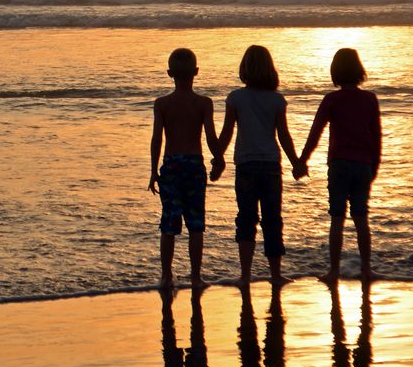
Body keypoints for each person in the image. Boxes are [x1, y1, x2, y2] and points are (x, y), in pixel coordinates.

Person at [213, 44, 304, 287]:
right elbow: (284, 135)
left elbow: (227, 132)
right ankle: (275, 275)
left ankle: (245, 274)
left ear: (244, 69)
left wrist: (217, 157)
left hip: (246, 164)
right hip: (271, 165)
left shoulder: (236, 97)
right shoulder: (276, 99)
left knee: (246, 218)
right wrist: (296, 162)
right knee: (272, 219)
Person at [298, 47, 381, 284]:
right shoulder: (369, 99)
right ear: (359, 70)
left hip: (339, 164)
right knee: (361, 217)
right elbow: (376, 136)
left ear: (335, 71)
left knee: (337, 217)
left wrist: (303, 160)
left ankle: (333, 271)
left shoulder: (331, 99)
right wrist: (375, 165)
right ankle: (366, 269)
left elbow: (315, 132)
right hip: (363, 163)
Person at [149, 47, 223, 290]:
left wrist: (153, 170)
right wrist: (219, 157)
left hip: (171, 165)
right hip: (194, 164)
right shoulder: (203, 103)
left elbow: (157, 139)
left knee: (169, 224)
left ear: (169, 73)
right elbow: (211, 137)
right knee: (196, 223)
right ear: (197, 72)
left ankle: (166, 275)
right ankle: (195, 276)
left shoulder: (162, 104)